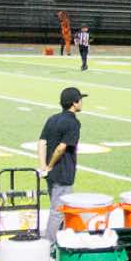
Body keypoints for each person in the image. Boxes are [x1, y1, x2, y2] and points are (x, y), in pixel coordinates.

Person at [38, 88, 85, 238]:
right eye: (80, 100)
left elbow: (41, 142)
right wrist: (50, 165)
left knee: (58, 209)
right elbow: (61, 148)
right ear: (74, 103)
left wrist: (44, 166)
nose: (82, 102)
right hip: (63, 172)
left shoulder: (52, 118)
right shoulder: (73, 123)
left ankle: (58, 240)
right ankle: (50, 244)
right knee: (58, 211)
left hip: (50, 174)